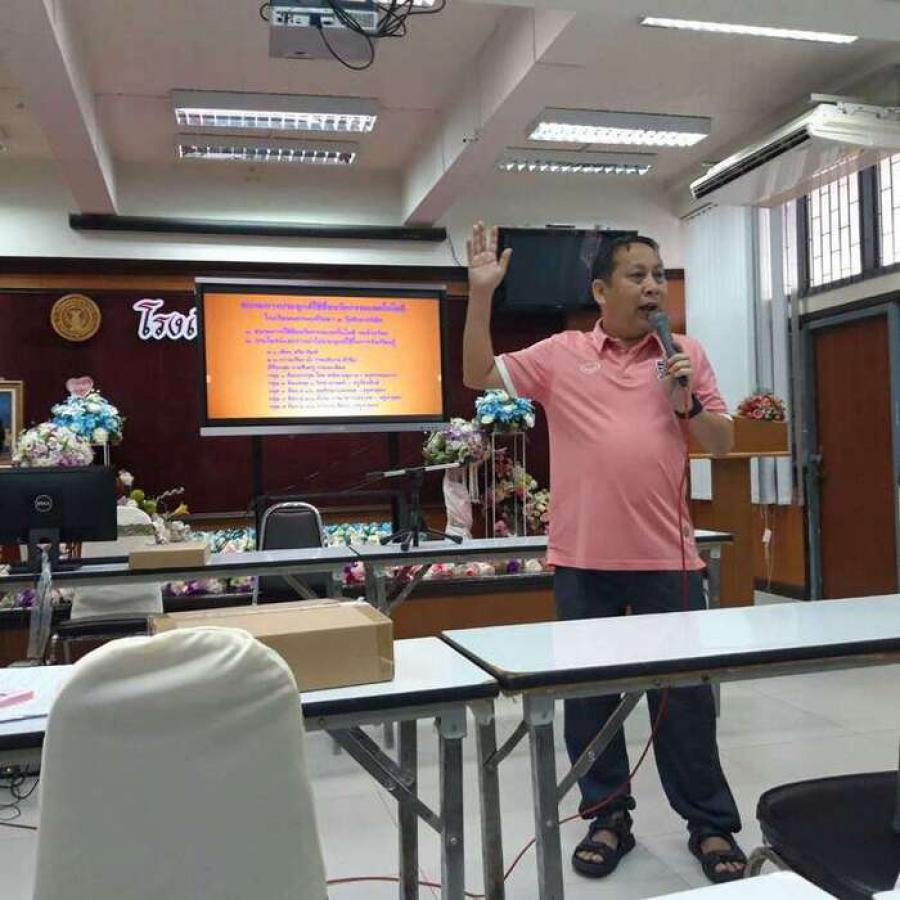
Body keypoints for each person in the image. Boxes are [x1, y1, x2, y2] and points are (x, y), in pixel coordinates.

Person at [462, 222, 746, 884]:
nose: (653, 287)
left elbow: (723, 442)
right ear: (600, 290)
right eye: (637, 275)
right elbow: (478, 373)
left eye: (659, 276)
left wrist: (687, 402)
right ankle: (607, 816)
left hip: (669, 560)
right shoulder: (562, 354)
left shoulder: (685, 354)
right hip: (584, 559)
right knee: (590, 699)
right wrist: (480, 296)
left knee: (685, 700)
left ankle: (709, 823)